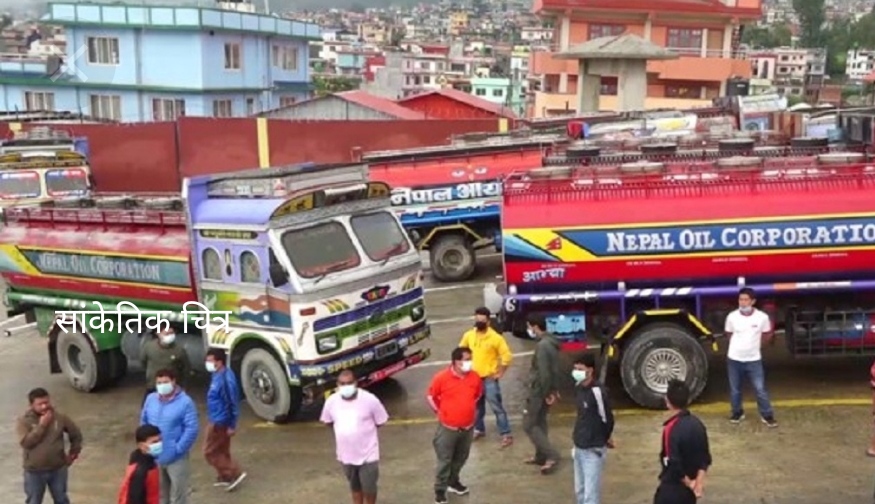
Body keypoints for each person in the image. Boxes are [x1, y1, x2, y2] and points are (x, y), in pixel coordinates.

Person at [320, 370, 390, 504]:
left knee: (369, 487)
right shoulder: (331, 401)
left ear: (356, 383)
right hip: (346, 455)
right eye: (342, 383)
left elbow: (381, 421)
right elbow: (328, 421)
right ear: (337, 384)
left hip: (368, 454)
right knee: (355, 486)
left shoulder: (370, 400)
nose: (346, 386)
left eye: (349, 383)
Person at [427, 347, 483, 504]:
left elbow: (477, 395)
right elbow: (432, 396)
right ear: (456, 362)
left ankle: (453, 481)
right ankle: (440, 490)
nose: (469, 363)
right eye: (466, 359)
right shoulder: (441, 378)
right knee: (445, 461)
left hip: (467, 428)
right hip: (448, 429)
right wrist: (442, 412)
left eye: (470, 359)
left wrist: (467, 410)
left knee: (461, 458)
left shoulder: (474, 377)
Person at [140, 368, 199, 504]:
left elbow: (192, 429)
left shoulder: (185, 402)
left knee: (178, 496)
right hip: (155, 457)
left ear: (173, 381)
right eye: (159, 382)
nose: (162, 385)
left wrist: (177, 449)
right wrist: (146, 445)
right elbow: (144, 421)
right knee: (160, 495)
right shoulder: (151, 399)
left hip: (177, 459)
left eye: (165, 382)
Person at [458, 306, 513, 447]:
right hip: (473, 378)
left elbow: (506, 356)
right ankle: (479, 429)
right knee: (477, 407)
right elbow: (461, 351)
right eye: (477, 320)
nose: (478, 323)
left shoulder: (496, 338)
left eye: (481, 320)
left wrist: (501, 372)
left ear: (488, 322)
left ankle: (505, 433)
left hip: (489, 378)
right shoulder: (469, 335)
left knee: (497, 407)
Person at [16, 387, 83, 504]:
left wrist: (73, 453)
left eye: (46, 402)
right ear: (31, 405)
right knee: (34, 501)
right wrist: (42, 426)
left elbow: (76, 435)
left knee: (61, 499)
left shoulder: (60, 418)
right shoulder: (23, 421)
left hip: (58, 470)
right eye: (39, 404)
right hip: (34, 472)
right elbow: (26, 443)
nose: (44, 406)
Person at [725, 287, 777, 427]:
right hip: (734, 359)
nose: (743, 303)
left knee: (760, 389)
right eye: (741, 299)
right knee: (735, 389)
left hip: (754, 360)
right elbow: (729, 334)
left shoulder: (762, 317)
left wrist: (755, 347)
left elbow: (767, 334)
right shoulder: (732, 317)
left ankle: (767, 415)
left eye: (746, 300)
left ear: (753, 301)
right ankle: (737, 412)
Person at [654, 379, 711, 504]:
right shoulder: (698, 425)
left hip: (672, 490)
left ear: (668, 402)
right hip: (689, 495)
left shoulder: (670, 428)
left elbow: (673, 463)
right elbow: (705, 459)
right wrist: (698, 484)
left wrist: (689, 482)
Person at [571, 354, 614, 504]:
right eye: (575, 369)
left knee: (591, 495)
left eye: (580, 369)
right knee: (580, 491)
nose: (576, 372)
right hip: (578, 447)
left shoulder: (598, 392)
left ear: (590, 370)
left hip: (593, 450)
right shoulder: (578, 388)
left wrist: (604, 438)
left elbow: (607, 418)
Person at [522, 313, 562, 475]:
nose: (529, 330)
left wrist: (547, 392)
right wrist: (553, 389)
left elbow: (545, 372)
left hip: (538, 391)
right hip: (544, 389)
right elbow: (554, 370)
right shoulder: (550, 343)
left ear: (535, 327)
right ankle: (541, 455)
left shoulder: (543, 346)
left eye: (529, 327)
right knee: (540, 421)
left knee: (529, 425)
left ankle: (551, 455)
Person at [203, 349, 247, 491]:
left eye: (211, 361)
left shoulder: (225, 380)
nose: (208, 364)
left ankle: (233, 472)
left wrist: (232, 425)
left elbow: (232, 402)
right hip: (217, 417)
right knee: (222, 450)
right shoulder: (217, 375)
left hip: (219, 421)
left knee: (209, 452)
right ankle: (225, 477)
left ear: (219, 362)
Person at [141, 327, 190, 403]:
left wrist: (183, 385)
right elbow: (143, 362)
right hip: (153, 386)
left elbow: (185, 368)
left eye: (172, 333)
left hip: (171, 388)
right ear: (158, 334)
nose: (170, 336)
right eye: (167, 333)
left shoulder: (179, 350)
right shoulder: (149, 347)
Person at [117, 424, 162, 504]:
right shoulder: (140, 472)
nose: (159, 444)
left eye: (160, 440)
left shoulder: (146, 462)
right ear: (141, 446)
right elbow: (135, 499)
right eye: (154, 442)